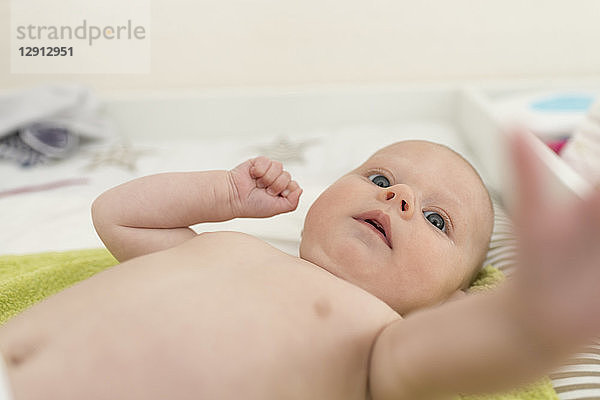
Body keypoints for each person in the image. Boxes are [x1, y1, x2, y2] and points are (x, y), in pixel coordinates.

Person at [0, 136, 599, 400]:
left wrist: (526, 322)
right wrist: (224, 197)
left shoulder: (380, 343)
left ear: (450, 302)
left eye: (438, 221)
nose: (400, 199)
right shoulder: (232, 249)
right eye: (382, 179)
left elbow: (467, 351)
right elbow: (117, 215)